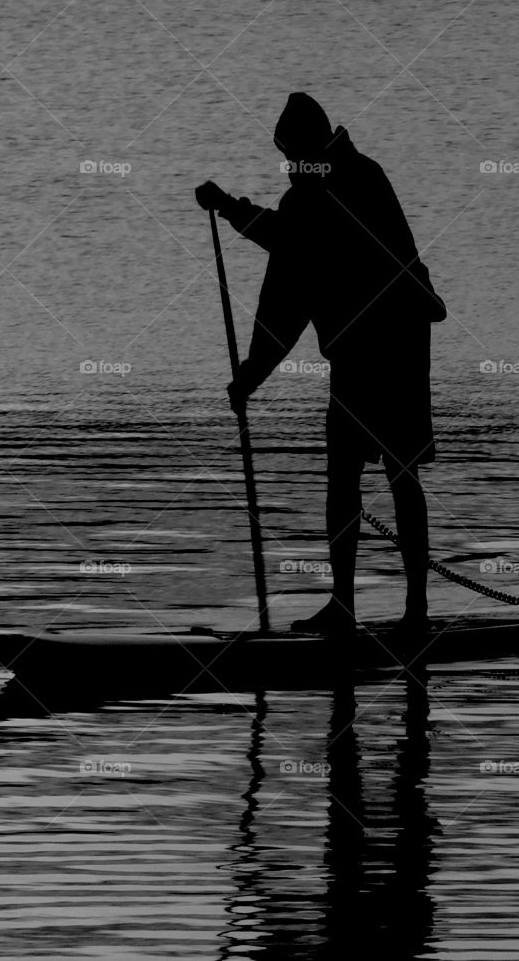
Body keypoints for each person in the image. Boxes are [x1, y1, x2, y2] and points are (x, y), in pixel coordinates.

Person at [195, 92, 446, 636]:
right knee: (345, 477)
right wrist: (233, 209)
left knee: (396, 473)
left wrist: (250, 375)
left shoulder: (347, 185)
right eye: (286, 156)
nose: (288, 165)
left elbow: (291, 265)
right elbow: (293, 258)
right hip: (362, 349)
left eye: (291, 154)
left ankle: (415, 613)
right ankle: (348, 608)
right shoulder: (330, 187)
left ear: (312, 145)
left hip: (393, 344)